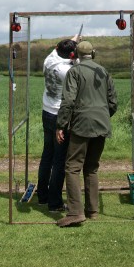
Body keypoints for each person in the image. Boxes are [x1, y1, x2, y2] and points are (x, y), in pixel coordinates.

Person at [55, 40, 118, 227]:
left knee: (72, 167)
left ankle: (75, 212)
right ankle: (92, 211)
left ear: (76, 55)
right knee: (91, 168)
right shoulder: (104, 72)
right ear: (93, 53)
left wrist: (61, 125)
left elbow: (68, 101)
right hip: (102, 124)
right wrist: (103, 116)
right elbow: (113, 102)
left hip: (82, 125)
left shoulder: (74, 72)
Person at [37, 35, 80, 211]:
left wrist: (73, 40)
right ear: (71, 55)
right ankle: (54, 203)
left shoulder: (49, 59)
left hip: (46, 111)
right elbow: (79, 70)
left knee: (47, 155)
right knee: (59, 160)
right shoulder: (68, 71)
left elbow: (59, 48)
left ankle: (42, 196)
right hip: (59, 116)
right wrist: (77, 56)